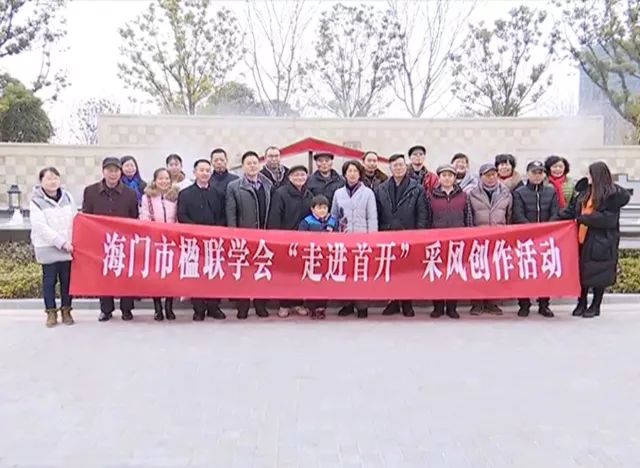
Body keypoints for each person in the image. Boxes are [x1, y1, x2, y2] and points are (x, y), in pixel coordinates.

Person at [558, 162, 630, 318]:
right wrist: (553, 220)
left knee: (599, 274)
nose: (587, 177)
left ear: (597, 175)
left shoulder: (611, 196)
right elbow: (571, 211)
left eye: (589, 174)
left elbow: (608, 219)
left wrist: (583, 218)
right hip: (582, 239)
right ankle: (581, 302)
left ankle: (596, 305)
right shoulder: (584, 193)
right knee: (582, 273)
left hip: (601, 241)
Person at [83, 157, 139, 322]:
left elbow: (134, 217)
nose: (113, 174)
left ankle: (126, 309)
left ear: (120, 172)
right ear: (103, 171)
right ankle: (106, 309)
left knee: (126, 274)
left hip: (124, 241)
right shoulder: (90, 191)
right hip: (101, 241)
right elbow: (87, 215)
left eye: (116, 170)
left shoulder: (130, 194)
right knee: (104, 274)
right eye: (109, 170)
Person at [376, 153, 431, 317]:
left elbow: (422, 214)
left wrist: (419, 234)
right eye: (395, 165)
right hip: (387, 235)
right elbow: (377, 213)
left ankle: (407, 303)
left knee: (407, 272)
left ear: (405, 167)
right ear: (390, 168)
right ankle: (392, 302)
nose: (398, 168)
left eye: (401, 165)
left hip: (409, 235)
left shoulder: (417, 188)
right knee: (390, 271)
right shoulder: (381, 189)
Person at [177, 159, 227, 321]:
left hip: (214, 241)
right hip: (193, 241)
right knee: (196, 274)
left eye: (207, 170)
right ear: (194, 172)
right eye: (201, 170)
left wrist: (214, 231)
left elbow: (223, 215)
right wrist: (197, 231)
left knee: (214, 273)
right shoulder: (185, 194)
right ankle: (198, 308)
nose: (205, 173)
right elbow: (182, 215)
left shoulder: (218, 193)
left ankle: (214, 307)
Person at [226, 151, 274, 319]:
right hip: (243, 237)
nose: (252, 166)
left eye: (255, 163)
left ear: (260, 165)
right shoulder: (234, 186)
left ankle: (260, 304)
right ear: (243, 166)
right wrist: (233, 234)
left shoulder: (268, 185)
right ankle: (243, 305)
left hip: (264, 237)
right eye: (249, 163)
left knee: (262, 270)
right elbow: (231, 213)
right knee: (244, 272)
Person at [30, 167, 77, 328]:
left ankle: (66, 310)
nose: (52, 182)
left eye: (55, 178)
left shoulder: (67, 197)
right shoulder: (36, 201)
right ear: (41, 181)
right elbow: (40, 226)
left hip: (68, 247)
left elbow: (75, 218)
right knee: (49, 281)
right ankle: (51, 312)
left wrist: (72, 241)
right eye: (48, 179)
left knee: (67, 281)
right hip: (48, 247)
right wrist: (60, 242)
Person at [331, 160, 378, 319]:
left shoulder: (368, 193)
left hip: (362, 239)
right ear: (344, 174)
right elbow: (334, 216)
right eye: (349, 171)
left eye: (355, 171)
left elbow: (372, 217)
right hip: (343, 239)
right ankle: (347, 304)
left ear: (360, 174)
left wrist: (372, 239)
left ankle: (362, 306)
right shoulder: (338, 193)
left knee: (360, 273)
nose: (352, 174)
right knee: (344, 272)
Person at [512, 161, 560, 318]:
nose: (537, 176)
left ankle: (544, 304)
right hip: (526, 239)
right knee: (524, 271)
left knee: (545, 271)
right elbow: (518, 215)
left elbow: (555, 213)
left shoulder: (551, 192)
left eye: (540, 172)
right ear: (528, 174)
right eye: (534, 172)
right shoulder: (519, 193)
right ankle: (524, 304)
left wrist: (545, 230)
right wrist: (532, 231)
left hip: (546, 239)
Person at [267, 165, 314, 318]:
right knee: (285, 274)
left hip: (303, 242)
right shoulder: (281, 193)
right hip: (285, 240)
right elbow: (275, 217)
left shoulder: (309, 195)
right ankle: (284, 304)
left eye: (302, 175)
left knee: (300, 273)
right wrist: (276, 238)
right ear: (290, 177)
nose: (300, 178)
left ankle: (298, 303)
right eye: (296, 175)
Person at [429, 164, 474, 319]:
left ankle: (452, 307)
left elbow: (468, 217)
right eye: (444, 175)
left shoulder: (463, 196)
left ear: (455, 178)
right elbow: (428, 218)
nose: (447, 178)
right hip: (437, 242)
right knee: (438, 275)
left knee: (454, 275)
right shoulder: (431, 196)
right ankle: (438, 307)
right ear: (439, 178)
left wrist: (469, 236)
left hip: (457, 242)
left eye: (450, 175)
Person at [468, 163, 513, 315]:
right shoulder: (472, 194)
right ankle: (477, 303)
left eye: (493, 174)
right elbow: (469, 216)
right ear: (481, 177)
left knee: (495, 271)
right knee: (478, 271)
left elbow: (509, 215)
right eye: (487, 175)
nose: (491, 177)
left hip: (499, 239)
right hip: (478, 239)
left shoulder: (506, 193)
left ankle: (493, 303)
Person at [140, 167, 179, 321]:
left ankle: (169, 306)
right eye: (161, 178)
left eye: (167, 178)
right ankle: (157, 307)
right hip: (154, 240)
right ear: (155, 181)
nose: (164, 181)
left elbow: (178, 216)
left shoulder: (175, 196)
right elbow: (144, 216)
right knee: (155, 274)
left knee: (171, 274)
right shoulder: (147, 197)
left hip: (172, 240)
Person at [299, 195, 339, 319]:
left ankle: (322, 308)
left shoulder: (332, 221)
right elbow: (300, 238)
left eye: (324, 208)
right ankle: (311, 307)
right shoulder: (307, 222)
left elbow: (339, 237)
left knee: (324, 283)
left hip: (327, 258)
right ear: (312, 209)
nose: (322, 210)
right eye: (319, 208)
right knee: (311, 283)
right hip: (311, 258)